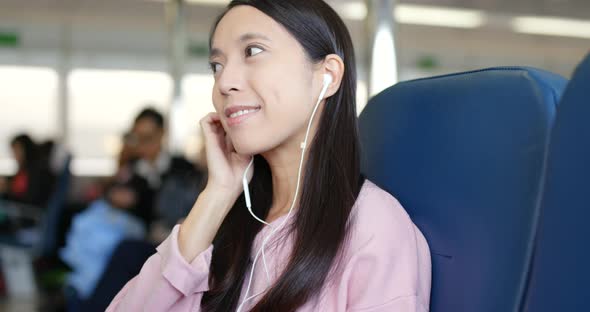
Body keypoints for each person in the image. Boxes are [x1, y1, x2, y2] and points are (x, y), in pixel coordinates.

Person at [107, 1, 431, 311]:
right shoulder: (228, 223)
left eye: (253, 51)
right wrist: (217, 194)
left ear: (327, 75)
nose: (225, 83)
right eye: (216, 66)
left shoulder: (373, 227)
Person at [0, 134, 54, 207]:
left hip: (23, 213)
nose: (14, 155)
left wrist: (7, 192)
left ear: (26, 149)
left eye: (17, 150)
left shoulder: (37, 171)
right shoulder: (24, 169)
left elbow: (30, 200)